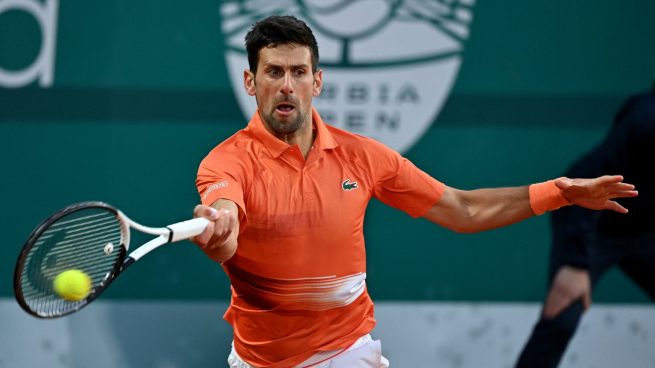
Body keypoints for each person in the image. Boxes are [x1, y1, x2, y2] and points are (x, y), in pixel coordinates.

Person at [191, 15, 637, 368]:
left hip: (346, 350)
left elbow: (462, 209)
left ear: (317, 81)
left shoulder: (363, 157)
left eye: (298, 72)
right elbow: (225, 226)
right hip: (261, 359)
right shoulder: (225, 162)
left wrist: (556, 192)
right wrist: (219, 230)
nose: (287, 85)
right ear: (251, 82)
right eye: (273, 72)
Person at [515, 84, 655, 368]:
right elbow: (587, 181)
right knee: (563, 314)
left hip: (644, 230)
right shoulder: (645, 119)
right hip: (590, 221)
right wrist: (575, 263)